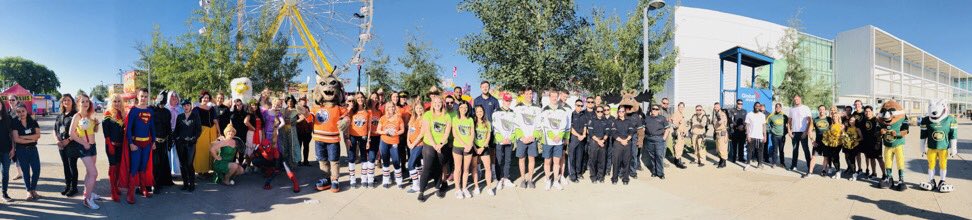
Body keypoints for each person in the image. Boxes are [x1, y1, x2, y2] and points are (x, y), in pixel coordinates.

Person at [121, 89, 156, 204]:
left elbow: (152, 127)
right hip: (136, 144)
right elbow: (129, 129)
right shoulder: (134, 111)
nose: (144, 98)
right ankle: (130, 192)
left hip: (147, 144)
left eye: (146, 96)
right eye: (142, 96)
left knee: (143, 167)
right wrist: (131, 143)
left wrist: (154, 141)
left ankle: (142, 188)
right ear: (137, 97)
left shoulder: (150, 111)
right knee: (134, 167)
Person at [67, 94, 102, 209]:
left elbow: (94, 131)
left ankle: (88, 193)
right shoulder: (77, 116)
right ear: (78, 103)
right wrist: (84, 143)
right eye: (83, 101)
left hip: (93, 146)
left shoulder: (89, 115)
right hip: (83, 148)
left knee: (89, 172)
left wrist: (96, 124)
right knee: (94, 173)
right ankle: (87, 200)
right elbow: (71, 134)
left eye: (87, 101)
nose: (86, 103)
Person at [309, 91, 348, 193]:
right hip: (319, 139)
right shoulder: (316, 106)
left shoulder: (337, 107)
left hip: (333, 139)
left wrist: (345, 121)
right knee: (322, 160)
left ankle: (334, 179)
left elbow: (346, 115)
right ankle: (326, 178)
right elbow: (310, 118)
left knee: (334, 160)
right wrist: (304, 113)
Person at [417, 93, 452, 202]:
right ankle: (421, 191)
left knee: (439, 167)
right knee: (427, 167)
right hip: (429, 144)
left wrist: (440, 144)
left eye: (439, 102)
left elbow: (447, 132)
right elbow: (427, 131)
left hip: (442, 145)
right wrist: (434, 145)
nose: (437, 104)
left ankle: (437, 188)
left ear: (442, 104)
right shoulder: (428, 114)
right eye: (435, 102)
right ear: (432, 104)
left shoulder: (446, 116)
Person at [918, 100, 957, 192]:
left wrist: (953, 147)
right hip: (931, 148)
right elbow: (923, 135)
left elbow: (953, 135)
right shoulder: (926, 120)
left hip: (943, 148)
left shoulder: (950, 120)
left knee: (943, 165)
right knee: (931, 164)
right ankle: (931, 181)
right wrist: (922, 147)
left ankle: (942, 181)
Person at [539, 90, 569, 190]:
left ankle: (556, 181)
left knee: (557, 161)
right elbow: (544, 125)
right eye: (552, 96)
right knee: (547, 161)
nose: (554, 98)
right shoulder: (544, 110)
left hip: (559, 141)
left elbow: (564, 125)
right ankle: (548, 180)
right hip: (548, 140)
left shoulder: (562, 111)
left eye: (556, 96)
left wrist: (560, 136)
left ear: (558, 97)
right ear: (549, 97)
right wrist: (552, 136)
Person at [513, 88, 541, 188]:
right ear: (523, 94)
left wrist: (534, 136)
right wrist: (522, 137)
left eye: (531, 94)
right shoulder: (517, 108)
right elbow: (515, 124)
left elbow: (539, 124)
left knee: (531, 158)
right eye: (527, 93)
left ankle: (530, 179)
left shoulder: (537, 108)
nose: (529, 95)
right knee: (521, 159)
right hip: (522, 139)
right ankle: (523, 179)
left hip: (532, 138)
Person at [11, 103, 41, 201]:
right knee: (25, 171)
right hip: (21, 150)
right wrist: (31, 140)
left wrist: (23, 137)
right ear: (16, 113)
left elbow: (38, 135)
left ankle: (33, 189)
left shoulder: (33, 121)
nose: (21, 113)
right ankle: (28, 190)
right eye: (18, 112)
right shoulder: (15, 122)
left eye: (23, 111)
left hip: (33, 150)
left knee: (36, 170)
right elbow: (16, 139)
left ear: (26, 111)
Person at [54, 94, 80, 197]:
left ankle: (74, 188)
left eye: (68, 100)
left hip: (72, 145)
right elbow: (55, 129)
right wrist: (57, 141)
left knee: (72, 166)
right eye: (64, 100)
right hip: (61, 145)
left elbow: (79, 130)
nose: (66, 102)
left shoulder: (75, 115)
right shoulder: (60, 115)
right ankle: (67, 186)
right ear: (62, 102)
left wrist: (68, 140)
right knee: (65, 166)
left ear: (72, 102)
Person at [173, 100, 201, 191]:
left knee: (189, 164)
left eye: (188, 105)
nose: (186, 107)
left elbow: (198, 130)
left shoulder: (195, 116)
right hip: (180, 144)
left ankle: (192, 184)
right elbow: (176, 129)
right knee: (182, 164)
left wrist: (194, 138)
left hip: (191, 144)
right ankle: (185, 184)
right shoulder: (180, 116)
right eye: (184, 105)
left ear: (190, 106)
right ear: (182, 107)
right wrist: (176, 139)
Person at [102, 95, 126, 201]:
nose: (116, 103)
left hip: (120, 146)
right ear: (111, 102)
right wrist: (109, 144)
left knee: (118, 167)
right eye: (114, 101)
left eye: (118, 101)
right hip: (111, 145)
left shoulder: (122, 114)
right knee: (113, 167)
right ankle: (112, 191)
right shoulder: (108, 114)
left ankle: (116, 187)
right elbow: (105, 131)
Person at [491, 93, 517, 190]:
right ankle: (499, 179)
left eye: (509, 100)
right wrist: (502, 139)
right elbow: (494, 128)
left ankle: (506, 178)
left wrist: (510, 138)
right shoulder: (496, 112)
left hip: (509, 140)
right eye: (506, 100)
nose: (508, 102)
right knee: (499, 160)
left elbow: (515, 127)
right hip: (499, 141)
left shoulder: (513, 113)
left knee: (508, 160)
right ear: (503, 101)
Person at [150, 91, 174, 193]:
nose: (162, 103)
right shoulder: (151, 110)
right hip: (154, 142)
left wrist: (170, 141)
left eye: (163, 101)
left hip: (164, 142)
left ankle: (161, 182)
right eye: (160, 101)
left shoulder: (167, 112)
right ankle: (154, 184)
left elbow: (168, 128)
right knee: (155, 163)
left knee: (162, 162)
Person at [377, 103, 405, 188]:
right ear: (386, 108)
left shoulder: (398, 118)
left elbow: (402, 130)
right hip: (384, 141)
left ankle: (399, 180)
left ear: (395, 108)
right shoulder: (383, 118)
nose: (391, 108)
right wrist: (385, 132)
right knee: (385, 160)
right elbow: (378, 130)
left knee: (396, 160)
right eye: (389, 107)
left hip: (394, 142)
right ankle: (386, 180)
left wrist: (396, 133)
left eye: (393, 107)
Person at [193, 91, 219, 176]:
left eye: (207, 98)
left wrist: (219, 132)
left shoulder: (211, 108)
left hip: (212, 130)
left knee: (210, 150)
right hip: (201, 131)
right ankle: (200, 170)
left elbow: (215, 120)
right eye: (204, 97)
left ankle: (207, 170)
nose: (206, 99)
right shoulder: (196, 108)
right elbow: (194, 121)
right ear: (201, 98)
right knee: (201, 150)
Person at [451, 102, 474, 199]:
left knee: (466, 169)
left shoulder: (470, 119)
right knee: (458, 169)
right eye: (461, 107)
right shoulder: (455, 119)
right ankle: (457, 189)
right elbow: (455, 134)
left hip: (468, 147)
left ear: (468, 109)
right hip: (458, 147)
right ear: (458, 108)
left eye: (465, 107)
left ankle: (464, 188)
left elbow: (472, 133)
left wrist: (469, 145)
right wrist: (464, 144)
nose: (463, 109)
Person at [347, 93, 370, 188]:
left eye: (361, 97)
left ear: (364, 99)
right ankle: (352, 179)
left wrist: (368, 139)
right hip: (352, 135)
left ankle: (363, 178)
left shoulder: (367, 112)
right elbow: (346, 122)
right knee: (352, 157)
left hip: (363, 136)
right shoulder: (352, 111)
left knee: (364, 156)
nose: (360, 99)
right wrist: (347, 138)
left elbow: (369, 127)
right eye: (358, 98)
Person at [471, 105, 495, 196]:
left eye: (481, 111)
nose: (479, 113)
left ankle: (489, 187)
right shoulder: (473, 122)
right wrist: (475, 148)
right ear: (475, 113)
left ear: (483, 112)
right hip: (475, 148)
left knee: (487, 168)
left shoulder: (487, 123)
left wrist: (482, 148)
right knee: (474, 169)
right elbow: (471, 137)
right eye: (477, 111)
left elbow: (488, 137)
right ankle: (476, 187)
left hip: (484, 148)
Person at [644, 104, 671, 179]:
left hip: (659, 139)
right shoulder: (647, 118)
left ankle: (660, 173)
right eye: (653, 109)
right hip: (649, 139)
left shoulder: (662, 118)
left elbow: (667, 129)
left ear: (659, 110)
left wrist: (663, 138)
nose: (654, 110)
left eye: (656, 109)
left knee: (659, 156)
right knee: (652, 156)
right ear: (651, 110)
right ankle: (654, 172)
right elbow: (643, 128)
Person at [788, 96, 814, 173]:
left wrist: (806, 132)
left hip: (803, 132)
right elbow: (789, 121)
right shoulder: (792, 109)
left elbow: (810, 121)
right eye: (795, 99)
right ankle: (793, 166)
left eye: (797, 99)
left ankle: (810, 167)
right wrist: (789, 131)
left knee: (806, 150)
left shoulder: (805, 108)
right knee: (795, 150)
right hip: (795, 133)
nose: (796, 100)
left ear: (800, 99)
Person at [610, 107, 636, 185]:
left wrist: (626, 140)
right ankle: (614, 178)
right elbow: (614, 133)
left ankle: (625, 179)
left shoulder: (629, 121)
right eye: (620, 111)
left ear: (625, 112)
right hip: (618, 143)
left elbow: (631, 132)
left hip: (627, 143)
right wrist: (621, 140)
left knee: (626, 162)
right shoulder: (614, 122)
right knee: (616, 161)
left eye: (622, 111)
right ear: (618, 112)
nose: (621, 112)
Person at [405, 102, 426, 194]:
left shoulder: (423, 119)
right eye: (417, 108)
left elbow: (422, 134)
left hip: (419, 144)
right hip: (411, 144)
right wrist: (408, 142)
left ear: (423, 109)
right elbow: (409, 131)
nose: (419, 110)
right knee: (417, 164)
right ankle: (421, 181)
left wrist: (413, 144)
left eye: (421, 108)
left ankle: (416, 185)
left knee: (410, 164)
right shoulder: (413, 117)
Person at [587, 105, 611, 183]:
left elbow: (607, 133)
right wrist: (598, 141)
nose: (600, 113)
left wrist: (603, 140)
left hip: (603, 141)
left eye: (601, 111)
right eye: (598, 111)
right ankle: (593, 177)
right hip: (594, 141)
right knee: (593, 160)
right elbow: (590, 133)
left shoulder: (606, 121)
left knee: (602, 160)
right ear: (595, 112)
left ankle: (600, 177)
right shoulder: (592, 120)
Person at [567, 99, 589, 182]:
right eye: (578, 105)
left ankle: (578, 173)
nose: (579, 107)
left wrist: (583, 135)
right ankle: (573, 176)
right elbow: (570, 128)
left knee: (580, 157)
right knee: (572, 157)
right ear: (575, 105)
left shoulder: (584, 115)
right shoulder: (571, 115)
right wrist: (579, 135)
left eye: (581, 106)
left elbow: (585, 126)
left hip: (581, 139)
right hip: (574, 138)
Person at [364, 92, 383, 188]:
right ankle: (369, 178)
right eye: (373, 97)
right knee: (370, 157)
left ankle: (370, 175)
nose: (375, 99)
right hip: (368, 137)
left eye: (376, 98)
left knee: (373, 157)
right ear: (369, 98)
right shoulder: (366, 111)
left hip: (377, 136)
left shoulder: (379, 112)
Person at [860, 106, 883, 180]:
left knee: (879, 159)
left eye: (869, 111)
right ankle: (874, 173)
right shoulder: (865, 120)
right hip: (868, 143)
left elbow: (881, 132)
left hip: (876, 143)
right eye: (866, 111)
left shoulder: (876, 120)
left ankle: (885, 175)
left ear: (872, 111)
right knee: (871, 158)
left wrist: (878, 142)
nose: (867, 113)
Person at [744, 102, 768, 170]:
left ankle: (759, 164)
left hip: (760, 136)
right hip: (751, 136)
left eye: (758, 106)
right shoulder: (749, 114)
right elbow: (747, 126)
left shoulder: (762, 115)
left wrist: (765, 136)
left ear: (760, 107)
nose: (757, 107)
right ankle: (748, 164)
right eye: (756, 106)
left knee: (760, 151)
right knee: (749, 151)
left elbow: (764, 126)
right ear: (754, 106)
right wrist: (748, 135)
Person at [822, 106, 844, 178]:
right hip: (831, 144)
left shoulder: (841, 125)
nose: (834, 117)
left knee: (835, 157)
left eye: (836, 116)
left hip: (838, 144)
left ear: (838, 117)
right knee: (831, 157)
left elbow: (843, 135)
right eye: (833, 116)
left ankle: (838, 172)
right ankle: (837, 170)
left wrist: (841, 136)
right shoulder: (831, 125)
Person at [810, 105, 832, 178]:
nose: (821, 111)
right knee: (813, 157)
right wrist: (812, 141)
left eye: (823, 109)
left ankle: (823, 170)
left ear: (825, 110)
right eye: (820, 109)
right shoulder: (815, 119)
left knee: (825, 157)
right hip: (818, 141)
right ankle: (810, 172)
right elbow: (809, 130)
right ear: (818, 110)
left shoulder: (829, 119)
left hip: (826, 142)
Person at [766, 103, 789, 168]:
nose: (777, 108)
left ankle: (782, 163)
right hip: (774, 136)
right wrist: (770, 131)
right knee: (775, 150)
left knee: (781, 150)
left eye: (779, 107)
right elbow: (766, 124)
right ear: (775, 108)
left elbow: (789, 124)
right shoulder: (771, 116)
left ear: (781, 108)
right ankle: (774, 163)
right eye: (776, 107)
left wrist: (786, 132)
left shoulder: (784, 116)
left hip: (782, 136)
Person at [244, 101, 264, 170]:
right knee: (249, 149)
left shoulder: (259, 114)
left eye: (255, 105)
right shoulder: (249, 114)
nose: (254, 106)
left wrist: (263, 135)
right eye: (252, 105)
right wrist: (253, 128)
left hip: (259, 133)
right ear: (250, 106)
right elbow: (245, 121)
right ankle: (248, 166)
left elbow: (262, 126)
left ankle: (256, 165)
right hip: (251, 133)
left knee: (257, 149)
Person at [728, 99, 748, 164]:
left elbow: (746, 121)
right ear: (736, 104)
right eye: (739, 103)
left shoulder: (744, 111)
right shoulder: (732, 110)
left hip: (742, 131)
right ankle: (734, 158)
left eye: (741, 103)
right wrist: (737, 126)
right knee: (734, 146)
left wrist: (743, 127)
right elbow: (731, 120)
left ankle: (741, 158)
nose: (740, 105)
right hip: (735, 131)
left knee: (741, 146)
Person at [843, 116, 863, 180]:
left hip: (854, 146)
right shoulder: (847, 128)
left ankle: (854, 174)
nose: (851, 121)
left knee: (852, 160)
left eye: (853, 120)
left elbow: (861, 138)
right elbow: (845, 135)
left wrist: (855, 140)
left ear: (855, 121)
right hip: (847, 146)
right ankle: (853, 172)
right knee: (848, 158)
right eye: (850, 120)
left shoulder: (857, 129)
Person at [670, 102, 688, 169]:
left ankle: (676, 160)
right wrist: (678, 123)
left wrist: (685, 132)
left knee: (680, 147)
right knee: (678, 147)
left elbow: (684, 125)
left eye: (682, 107)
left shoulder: (681, 114)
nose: (681, 108)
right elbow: (674, 126)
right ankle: (678, 162)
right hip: (677, 133)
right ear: (678, 107)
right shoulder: (676, 114)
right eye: (680, 107)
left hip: (682, 134)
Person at [712, 102, 730, 168]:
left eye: (717, 107)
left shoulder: (722, 114)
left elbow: (720, 122)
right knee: (718, 148)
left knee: (722, 148)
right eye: (715, 107)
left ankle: (723, 162)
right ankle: (721, 160)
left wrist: (719, 119)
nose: (715, 108)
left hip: (722, 132)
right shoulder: (715, 114)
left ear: (719, 107)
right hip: (717, 132)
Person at [296, 97, 313, 166]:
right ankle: (299, 161)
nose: (304, 102)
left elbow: (310, 119)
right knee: (299, 147)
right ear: (299, 101)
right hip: (299, 131)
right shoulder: (296, 108)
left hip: (307, 131)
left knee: (306, 147)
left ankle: (306, 161)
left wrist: (311, 130)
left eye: (305, 100)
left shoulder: (307, 108)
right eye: (302, 100)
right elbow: (294, 120)